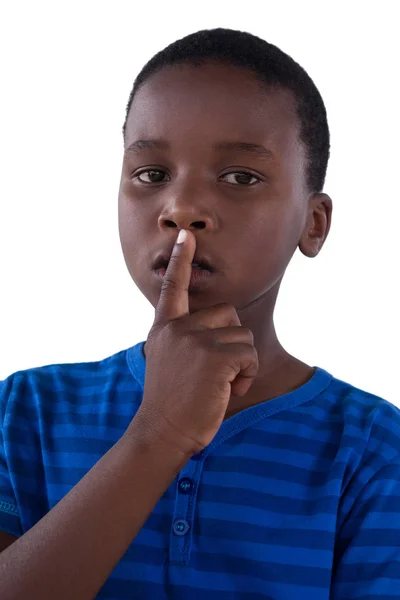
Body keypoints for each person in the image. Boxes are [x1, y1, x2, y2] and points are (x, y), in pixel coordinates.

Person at [0, 27, 399, 599]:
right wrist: (158, 434)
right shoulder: (23, 415)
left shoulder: (373, 450)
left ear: (313, 224)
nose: (182, 208)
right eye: (151, 175)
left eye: (240, 177)